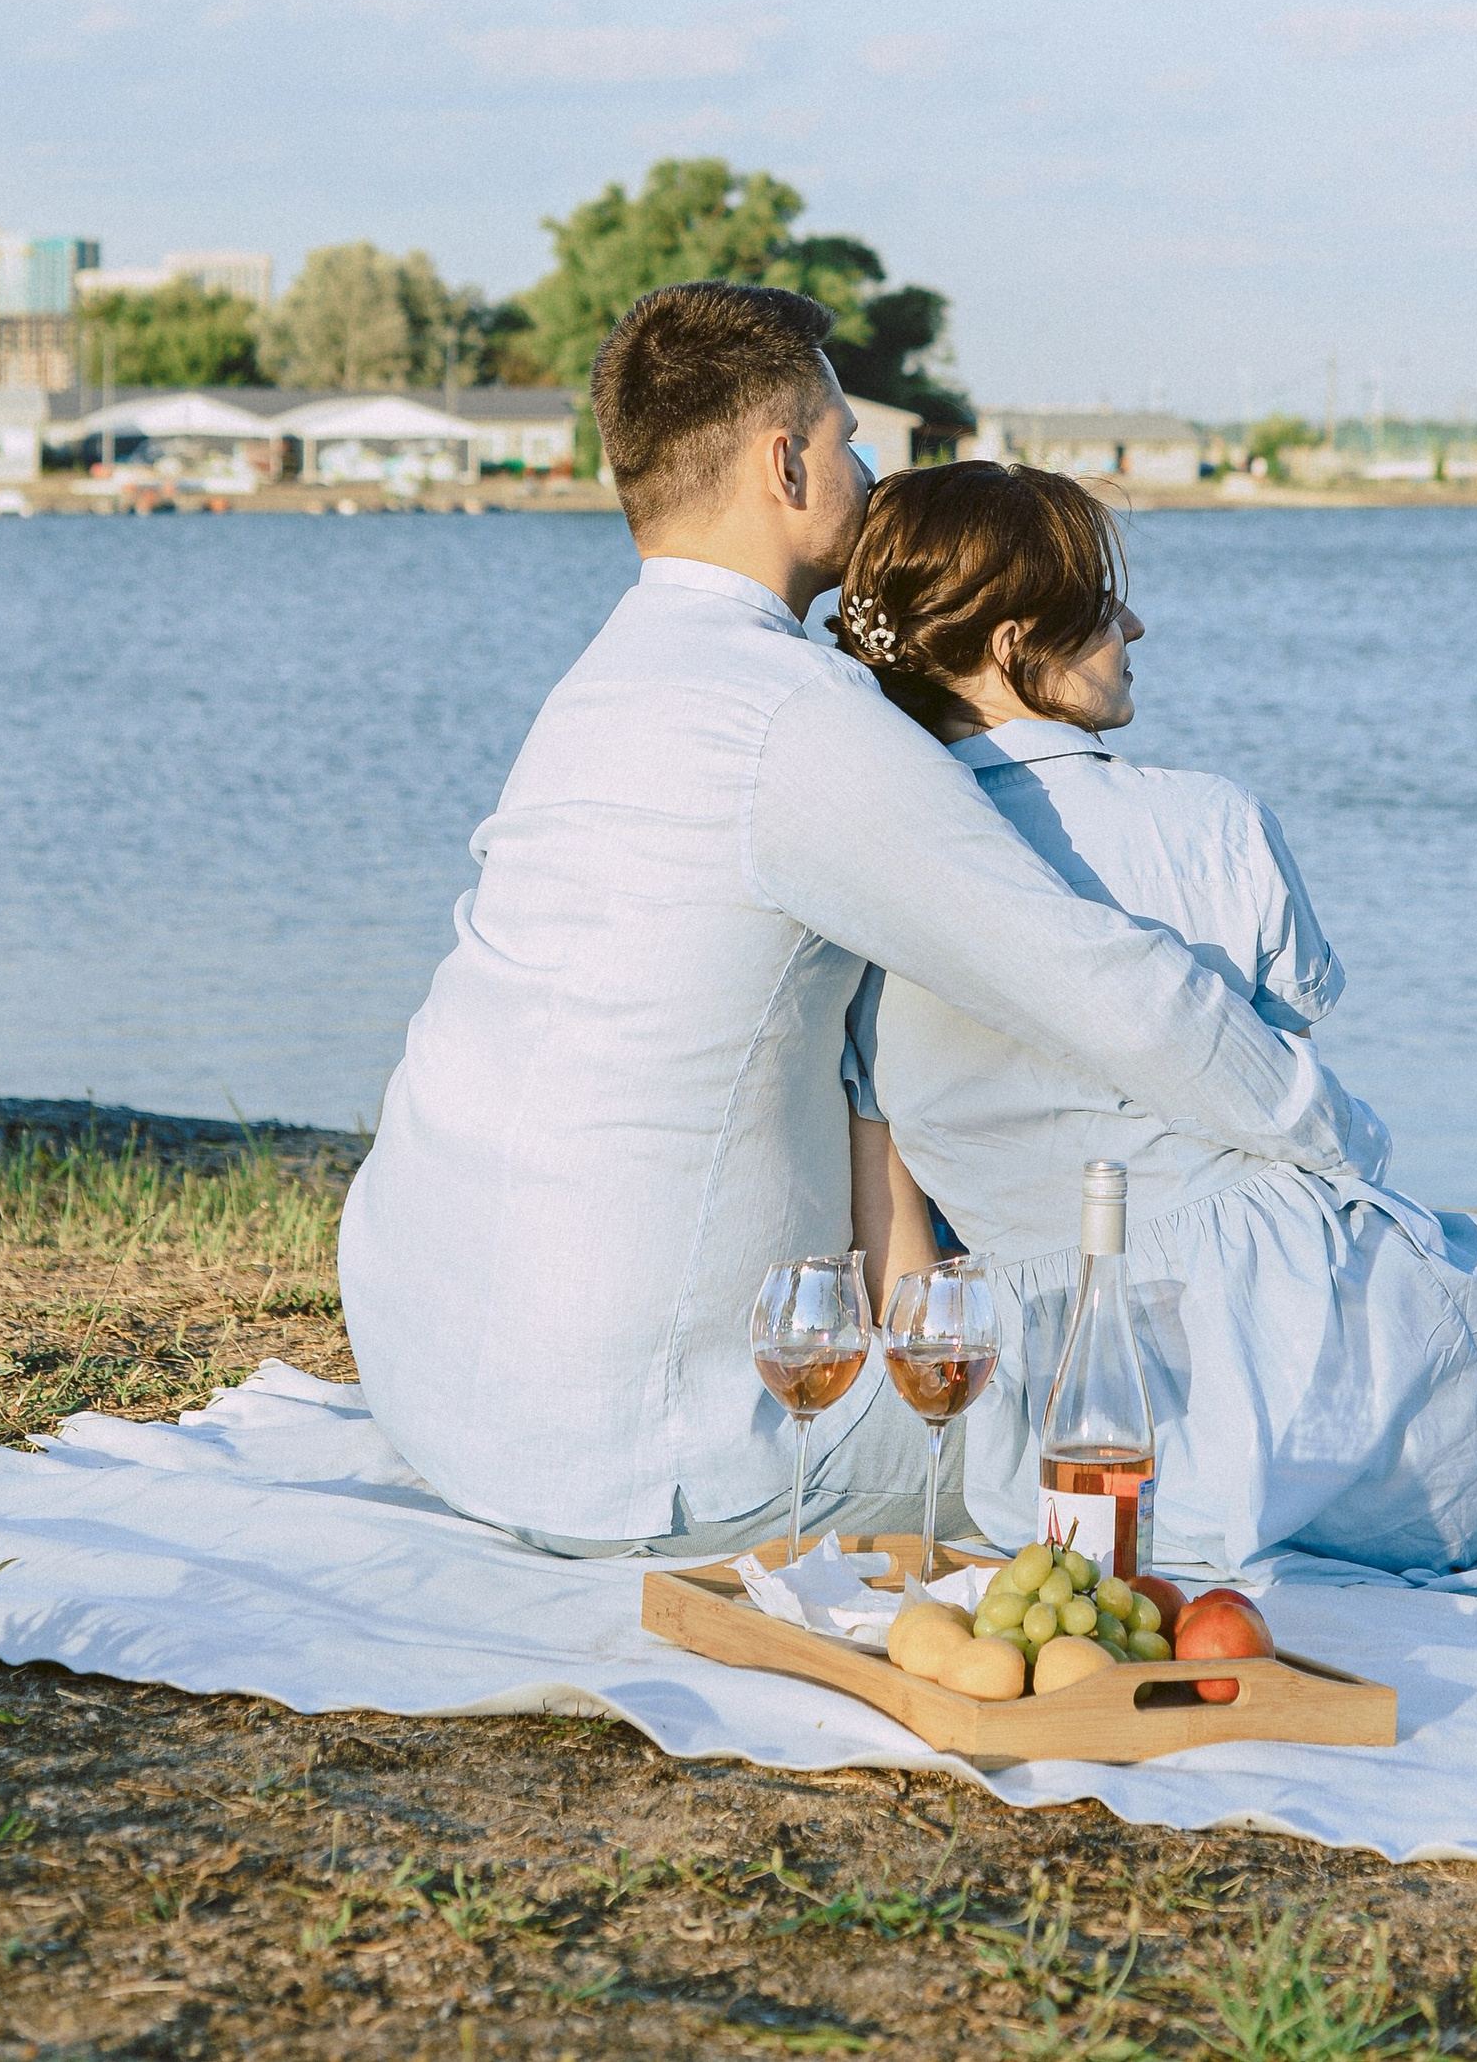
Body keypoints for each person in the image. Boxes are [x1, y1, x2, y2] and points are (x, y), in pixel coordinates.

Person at [337, 281, 1386, 1555]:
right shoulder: (796, 716)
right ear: (785, 460)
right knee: (1229, 1401)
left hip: (429, 1358)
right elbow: (1090, 978)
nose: (871, 467)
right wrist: (1333, 1141)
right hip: (647, 1445)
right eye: (848, 438)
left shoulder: (601, 684)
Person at [834, 459, 1477, 1574]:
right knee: (1467, 1289)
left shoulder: (859, 893)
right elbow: (1293, 1147)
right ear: (1009, 645)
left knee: (1443, 1288)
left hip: (1058, 1436)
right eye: (1099, 606)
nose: (1135, 623)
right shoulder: (1205, 822)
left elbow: (899, 1255)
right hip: (1346, 1409)